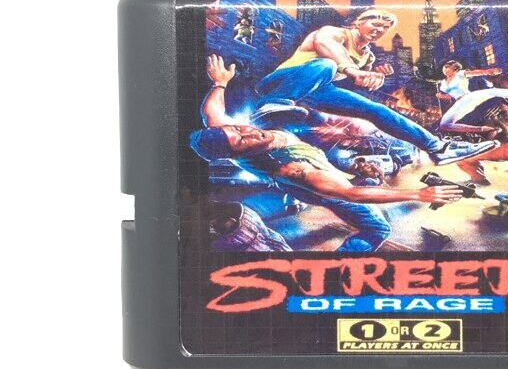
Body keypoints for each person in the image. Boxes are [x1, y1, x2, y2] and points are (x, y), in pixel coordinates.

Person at [191, 55, 465, 252]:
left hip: (302, 148)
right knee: (377, 228)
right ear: (235, 154)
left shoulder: (231, 132)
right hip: (315, 183)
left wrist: (220, 83)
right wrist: (417, 194)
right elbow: (350, 194)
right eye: (242, 142)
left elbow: (212, 114)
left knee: (324, 66)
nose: (249, 134)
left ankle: (278, 101)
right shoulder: (295, 169)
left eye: (239, 129)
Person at [251, 9, 498, 165]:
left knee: (376, 110)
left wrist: (375, 76)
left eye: (384, 29)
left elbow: (356, 82)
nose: (379, 31)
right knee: (326, 64)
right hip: (280, 83)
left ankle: (438, 147)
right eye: (375, 24)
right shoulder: (335, 33)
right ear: (357, 23)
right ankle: (270, 106)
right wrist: (353, 70)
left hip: (315, 92)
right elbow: (326, 46)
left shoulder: (368, 56)